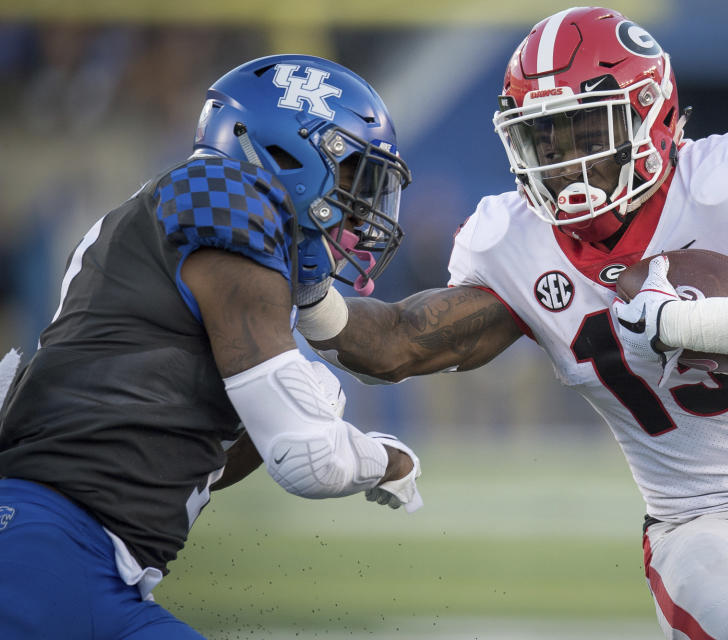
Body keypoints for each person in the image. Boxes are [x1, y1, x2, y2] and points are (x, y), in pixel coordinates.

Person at [305, 7, 728, 640]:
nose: (564, 164)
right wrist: (306, 289)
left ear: (653, 115)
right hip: (700, 527)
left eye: (587, 134)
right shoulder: (513, 240)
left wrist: (695, 325)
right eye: (544, 139)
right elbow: (396, 344)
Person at [0, 54, 422, 639]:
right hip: (46, 556)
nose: (365, 204)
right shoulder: (223, 196)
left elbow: (194, 465)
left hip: (77, 565)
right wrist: (387, 459)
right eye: (354, 174)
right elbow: (308, 461)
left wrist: (296, 408)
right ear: (288, 153)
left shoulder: (177, 224)